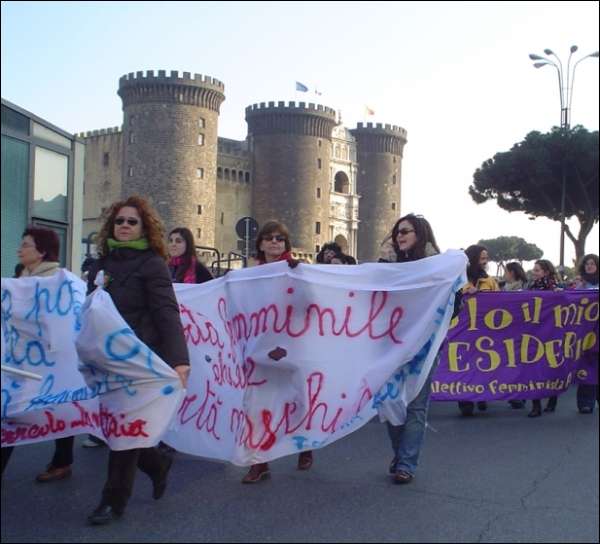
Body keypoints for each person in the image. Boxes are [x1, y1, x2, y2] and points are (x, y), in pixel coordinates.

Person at [85, 195, 190, 525]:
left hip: (140, 359)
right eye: (119, 221)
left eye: (132, 221)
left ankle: (112, 500)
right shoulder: (101, 264)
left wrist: (179, 360)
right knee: (119, 428)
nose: (125, 226)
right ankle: (158, 464)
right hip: (105, 358)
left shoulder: (152, 264)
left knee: (124, 432)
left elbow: (166, 313)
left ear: (144, 227)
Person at [378, 213, 462, 484]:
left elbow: (454, 303)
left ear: (420, 234)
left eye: (406, 231)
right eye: (397, 232)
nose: (399, 236)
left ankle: (406, 463)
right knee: (391, 401)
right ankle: (401, 453)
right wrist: (384, 262)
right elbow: (373, 296)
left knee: (415, 406)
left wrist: (430, 329)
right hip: (390, 346)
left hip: (424, 348)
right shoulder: (388, 266)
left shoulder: (437, 267)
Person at [1, 227, 76, 482]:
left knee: (55, 405)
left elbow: (61, 319)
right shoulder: (18, 276)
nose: (19, 249)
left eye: (25, 245)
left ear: (41, 251)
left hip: (46, 358)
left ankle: (63, 461)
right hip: (17, 357)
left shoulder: (58, 280)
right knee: (9, 410)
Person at [242, 220, 309, 484]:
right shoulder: (248, 275)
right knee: (256, 405)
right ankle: (259, 462)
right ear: (260, 244)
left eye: (280, 239)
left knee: (297, 400)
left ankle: (306, 444)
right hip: (259, 348)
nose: (274, 242)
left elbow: (310, 305)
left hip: (289, 347)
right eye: (268, 238)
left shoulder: (297, 271)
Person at [458, 245, 499, 416]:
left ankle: (482, 395)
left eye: (486, 258)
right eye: (482, 258)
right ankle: (465, 400)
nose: (485, 261)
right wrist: (466, 292)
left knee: (483, 364)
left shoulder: (490, 281)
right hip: (462, 332)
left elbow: (500, 303)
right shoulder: (459, 279)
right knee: (463, 366)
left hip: (484, 332)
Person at [527, 259, 560, 418]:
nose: (534, 272)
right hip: (532, 334)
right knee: (533, 368)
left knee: (550, 368)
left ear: (546, 272)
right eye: (534, 269)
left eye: (537, 270)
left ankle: (552, 399)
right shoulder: (530, 287)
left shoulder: (555, 289)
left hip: (550, 334)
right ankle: (536, 405)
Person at [573, 254, 599, 414]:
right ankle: (585, 403)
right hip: (585, 332)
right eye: (587, 264)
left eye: (593, 264)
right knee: (586, 366)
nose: (589, 266)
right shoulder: (580, 284)